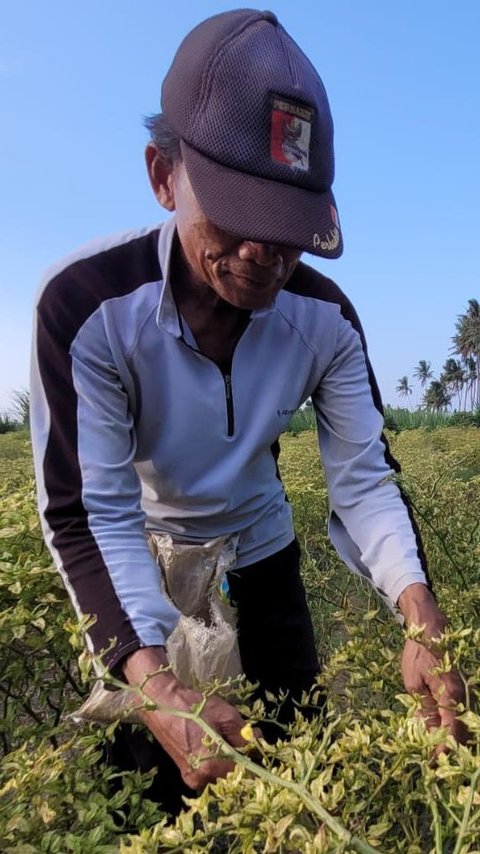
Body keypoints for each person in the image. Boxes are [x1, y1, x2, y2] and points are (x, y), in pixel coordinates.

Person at [30, 8, 465, 816]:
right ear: (164, 175)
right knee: (160, 791)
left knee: (300, 771)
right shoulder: (88, 307)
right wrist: (152, 680)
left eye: (289, 227)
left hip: (262, 555)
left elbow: (364, 482)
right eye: (237, 217)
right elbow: (93, 516)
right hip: (147, 568)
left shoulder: (323, 320)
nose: (265, 252)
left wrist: (419, 613)